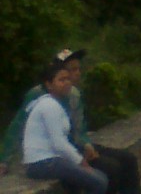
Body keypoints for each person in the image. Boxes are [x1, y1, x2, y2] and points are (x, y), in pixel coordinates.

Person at [1, 49, 140, 194]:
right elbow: (17, 127)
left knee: (128, 159)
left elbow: (80, 127)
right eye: (72, 70)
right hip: (60, 152)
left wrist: (86, 144)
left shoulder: (74, 94)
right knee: (110, 169)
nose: (77, 74)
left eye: (78, 69)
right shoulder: (40, 96)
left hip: (77, 145)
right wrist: (4, 160)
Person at [21, 61, 108, 194]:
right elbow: (59, 143)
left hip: (51, 160)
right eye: (61, 80)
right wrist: (81, 162)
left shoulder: (55, 104)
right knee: (98, 181)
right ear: (49, 84)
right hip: (42, 163)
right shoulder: (49, 105)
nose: (67, 83)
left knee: (99, 177)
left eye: (68, 79)